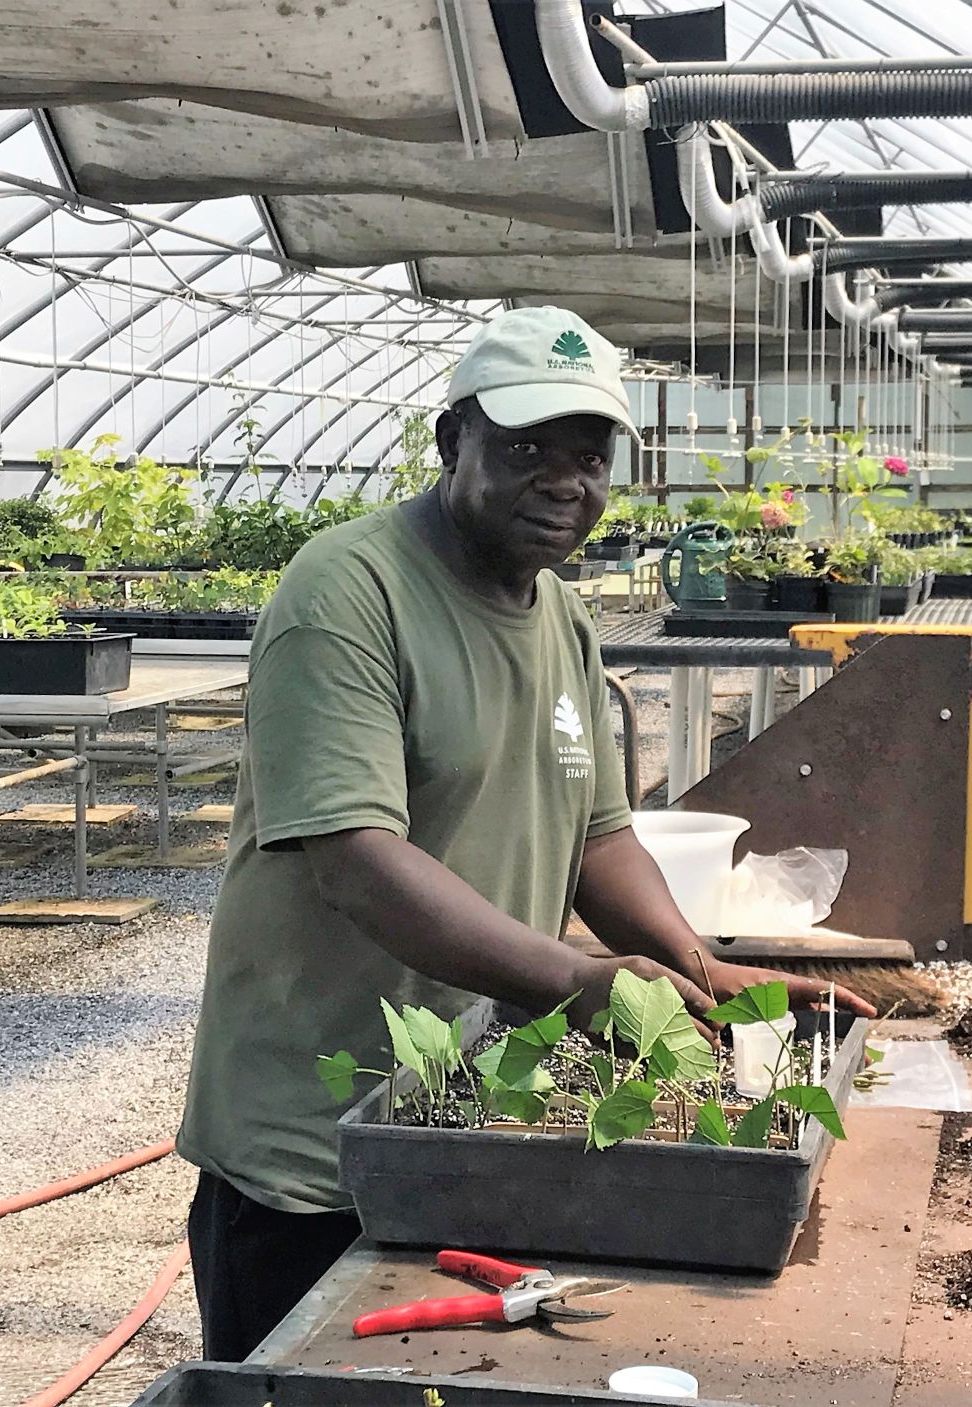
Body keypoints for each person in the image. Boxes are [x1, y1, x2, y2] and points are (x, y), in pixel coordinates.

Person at [176, 305, 875, 1361]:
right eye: (525, 447)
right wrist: (575, 982)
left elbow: (597, 834)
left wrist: (697, 965)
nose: (565, 480)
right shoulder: (348, 591)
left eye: (589, 456)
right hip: (313, 1149)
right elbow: (357, 863)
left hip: (467, 1117)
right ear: (450, 440)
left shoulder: (561, 613)